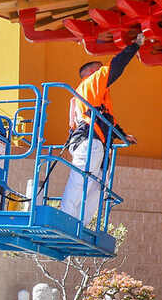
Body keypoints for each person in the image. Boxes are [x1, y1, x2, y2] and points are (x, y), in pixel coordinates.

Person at [59, 37, 142, 223]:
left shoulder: (92, 96)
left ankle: (79, 226)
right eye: (99, 68)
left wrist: (122, 135)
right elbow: (115, 67)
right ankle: (66, 220)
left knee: (96, 188)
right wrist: (135, 45)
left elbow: (106, 120)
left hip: (95, 144)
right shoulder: (91, 82)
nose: (103, 70)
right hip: (89, 142)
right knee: (81, 182)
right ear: (91, 72)